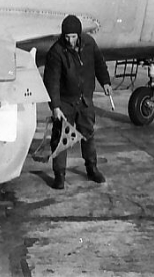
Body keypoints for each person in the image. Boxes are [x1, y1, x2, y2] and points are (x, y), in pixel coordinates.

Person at [43, 15, 112, 189]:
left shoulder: (89, 44)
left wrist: (105, 82)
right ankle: (59, 175)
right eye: (67, 37)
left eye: (73, 37)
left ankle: (92, 168)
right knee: (61, 139)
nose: (70, 40)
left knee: (88, 134)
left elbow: (99, 63)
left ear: (79, 35)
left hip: (85, 100)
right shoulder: (56, 52)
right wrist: (55, 107)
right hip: (65, 102)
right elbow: (52, 81)